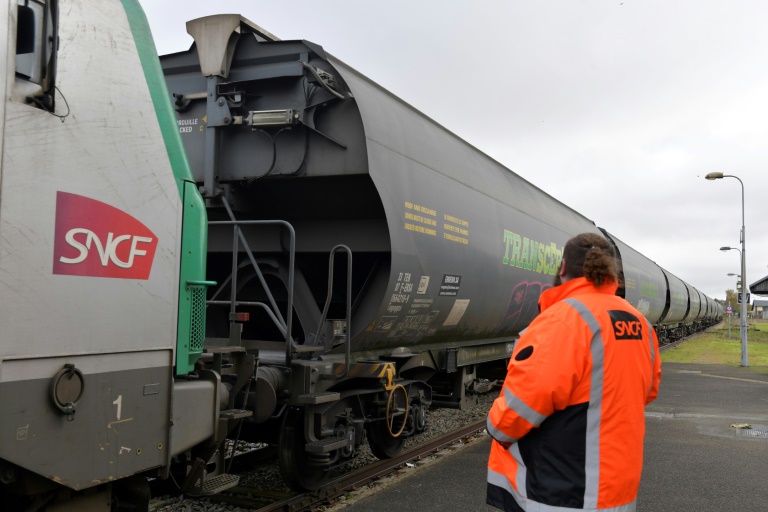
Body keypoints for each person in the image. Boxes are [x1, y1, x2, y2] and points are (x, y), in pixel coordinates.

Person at [486, 232, 662, 512]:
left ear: (564, 268)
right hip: (617, 491)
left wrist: (495, 425)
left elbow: (516, 412)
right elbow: (648, 391)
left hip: (561, 490)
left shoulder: (561, 321)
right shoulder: (640, 324)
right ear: (611, 271)